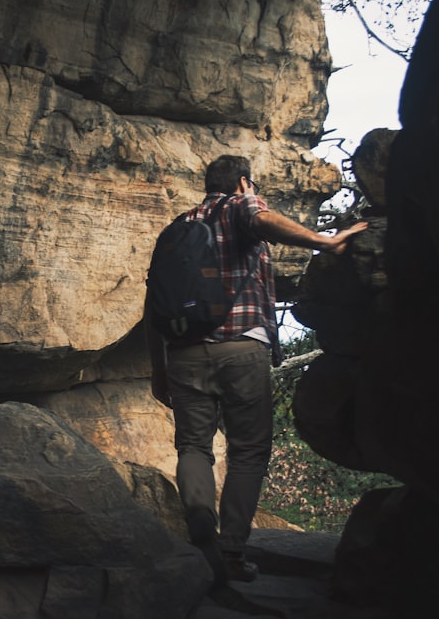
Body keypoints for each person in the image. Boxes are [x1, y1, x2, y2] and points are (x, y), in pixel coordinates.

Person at [145, 154, 367, 586]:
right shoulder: (239, 206)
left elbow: (154, 300)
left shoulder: (177, 227)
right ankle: (230, 551)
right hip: (241, 347)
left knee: (193, 446)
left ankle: (199, 524)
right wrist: (325, 241)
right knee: (248, 449)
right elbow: (262, 221)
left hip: (184, 354)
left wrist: (159, 368)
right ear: (243, 182)